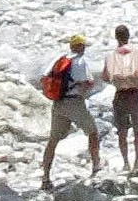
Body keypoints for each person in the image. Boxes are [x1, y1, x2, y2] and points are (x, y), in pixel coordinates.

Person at [38, 33, 101, 188]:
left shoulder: (60, 60)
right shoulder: (80, 61)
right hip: (74, 102)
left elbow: (43, 78)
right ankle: (96, 167)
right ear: (79, 46)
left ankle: (45, 177)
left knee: (53, 140)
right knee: (93, 132)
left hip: (58, 103)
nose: (84, 48)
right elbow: (84, 83)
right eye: (83, 45)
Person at [103, 24, 138, 174]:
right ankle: (137, 160)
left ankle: (125, 163)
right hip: (136, 95)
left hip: (120, 95)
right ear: (128, 36)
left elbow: (105, 77)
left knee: (122, 131)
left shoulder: (111, 56)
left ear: (116, 37)